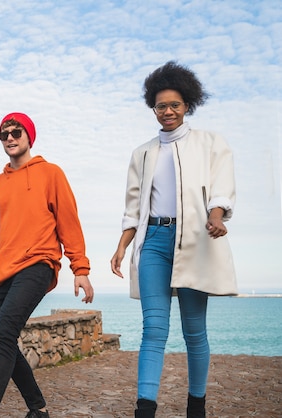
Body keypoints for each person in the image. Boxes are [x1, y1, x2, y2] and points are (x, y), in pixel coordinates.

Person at [110, 61, 238, 418]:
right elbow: (133, 207)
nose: (168, 111)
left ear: (187, 105)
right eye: (161, 106)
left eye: (175, 105)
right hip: (153, 241)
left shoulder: (211, 143)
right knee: (154, 328)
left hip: (195, 241)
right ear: (153, 107)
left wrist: (217, 215)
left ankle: (196, 406)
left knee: (194, 331)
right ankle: (145, 409)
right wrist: (122, 246)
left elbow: (222, 188)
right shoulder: (143, 153)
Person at [0, 112, 93, 418]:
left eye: (16, 132)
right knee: (5, 340)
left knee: (3, 334)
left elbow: (69, 222)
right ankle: (37, 408)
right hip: (0, 273)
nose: (10, 138)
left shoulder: (51, 174)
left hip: (39, 263)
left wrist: (80, 269)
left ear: (29, 136)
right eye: (4, 134)